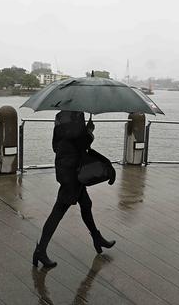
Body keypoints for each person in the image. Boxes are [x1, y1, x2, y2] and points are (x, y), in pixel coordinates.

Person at [33, 111, 115, 268]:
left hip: (67, 169)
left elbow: (55, 146)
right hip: (72, 173)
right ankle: (40, 250)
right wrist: (89, 131)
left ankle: (97, 238)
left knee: (86, 204)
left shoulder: (60, 117)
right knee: (58, 211)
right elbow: (82, 144)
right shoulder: (75, 117)